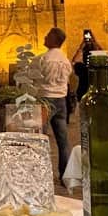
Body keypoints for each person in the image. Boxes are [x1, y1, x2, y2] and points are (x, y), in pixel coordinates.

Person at [28, 26, 74, 181]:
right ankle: (65, 174)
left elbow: (32, 79)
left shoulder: (42, 59)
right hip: (61, 101)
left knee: (39, 138)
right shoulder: (66, 61)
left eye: (47, 35)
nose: (44, 37)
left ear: (54, 39)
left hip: (45, 101)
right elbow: (67, 80)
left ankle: (39, 173)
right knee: (63, 141)